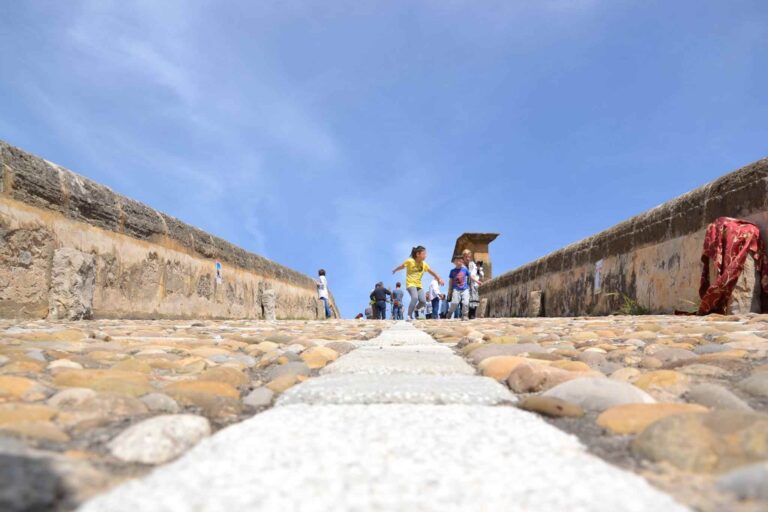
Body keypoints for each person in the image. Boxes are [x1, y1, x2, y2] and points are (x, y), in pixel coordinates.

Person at [392, 246, 444, 321]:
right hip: (410, 284)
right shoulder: (410, 261)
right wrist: (395, 270)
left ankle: (416, 309)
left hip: (419, 285)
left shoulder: (424, 264)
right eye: (424, 253)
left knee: (423, 302)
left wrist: (439, 278)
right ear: (418, 254)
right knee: (415, 297)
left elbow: (432, 272)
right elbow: (401, 266)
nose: (426, 255)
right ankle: (409, 315)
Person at [447, 255, 472, 321]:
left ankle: (465, 315)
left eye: (460, 261)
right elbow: (450, 281)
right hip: (456, 289)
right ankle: (449, 312)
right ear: (454, 262)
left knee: (466, 302)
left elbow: (471, 276)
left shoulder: (465, 269)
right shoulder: (452, 271)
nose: (459, 262)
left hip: (465, 289)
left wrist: (477, 281)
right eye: (457, 261)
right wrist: (450, 291)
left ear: (462, 262)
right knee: (454, 303)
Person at [462, 250, 485, 319]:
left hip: (473, 284)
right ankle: (465, 314)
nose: (467, 258)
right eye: (466, 257)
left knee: (474, 298)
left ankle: (472, 314)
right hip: (464, 284)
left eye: (469, 257)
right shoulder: (462, 265)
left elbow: (478, 272)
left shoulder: (472, 264)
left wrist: (479, 271)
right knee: (465, 300)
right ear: (463, 257)